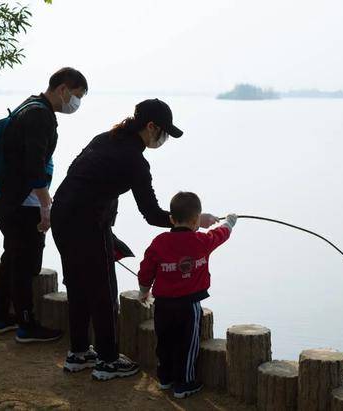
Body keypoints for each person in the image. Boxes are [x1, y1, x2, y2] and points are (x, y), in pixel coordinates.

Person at [50, 99, 220, 380]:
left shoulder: (105, 139)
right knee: (103, 292)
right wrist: (193, 222)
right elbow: (152, 214)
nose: (163, 138)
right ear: (150, 127)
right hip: (87, 225)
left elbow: (84, 182)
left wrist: (105, 227)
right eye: (163, 132)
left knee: (79, 286)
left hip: (63, 216)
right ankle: (107, 360)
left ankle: (78, 353)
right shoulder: (135, 161)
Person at [0, 67, 88, 343]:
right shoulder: (40, 115)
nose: (76, 103)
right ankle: (26, 325)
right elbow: (35, 164)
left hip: (8, 198)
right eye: (76, 95)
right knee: (24, 264)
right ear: (63, 89)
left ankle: (2, 317)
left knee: (11, 257)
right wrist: (46, 206)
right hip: (24, 204)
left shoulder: (28, 106)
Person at [137, 191, 237, 399]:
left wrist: (144, 291)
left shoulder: (159, 242)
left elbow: (146, 270)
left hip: (162, 305)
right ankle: (185, 383)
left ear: (172, 219)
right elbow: (221, 234)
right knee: (187, 345)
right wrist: (229, 222)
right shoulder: (202, 240)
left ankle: (165, 378)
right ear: (196, 221)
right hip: (188, 305)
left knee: (164, 341)